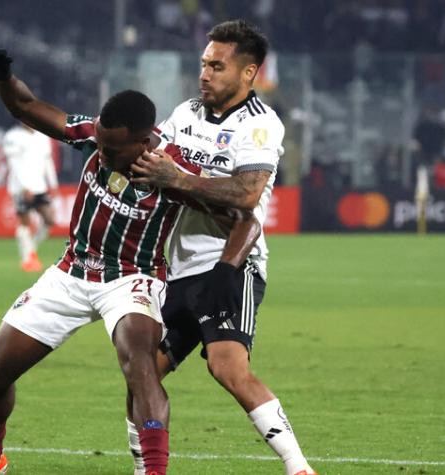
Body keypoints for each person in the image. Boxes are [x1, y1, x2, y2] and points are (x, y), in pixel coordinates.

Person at [0, 49, 259, 475]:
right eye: (103, 146)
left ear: (145, 139)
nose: (104, 154)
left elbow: (246, 221)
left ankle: (153, 470)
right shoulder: (97, 135)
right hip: (72, 270)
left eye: (114, 150)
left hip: (133, 278)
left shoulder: (173, 172)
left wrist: (226, 270)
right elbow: (26, 106)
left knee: (141, 368)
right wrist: (4, 76)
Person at [127, 20, 317, 475]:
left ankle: (299, 467)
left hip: (232, 263)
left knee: (227, 367)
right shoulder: (186, 113)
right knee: (141, 374)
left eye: (217, 66)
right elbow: (155, 168)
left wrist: (179, 179)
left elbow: (247, 195)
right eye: (203, 64)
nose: (205, 74)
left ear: (248, 73)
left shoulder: (260, 126)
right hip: (178, 268)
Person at [2, 122, 58, 271]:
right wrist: (25, 186)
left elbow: (47, 161)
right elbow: (13, 163)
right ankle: (27, 259)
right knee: (24, 222)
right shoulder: (12, 136)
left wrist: (53, 183)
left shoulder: (43, 135)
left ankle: (30, 250)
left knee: (49, 220)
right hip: (20, 187)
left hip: (40, 185)